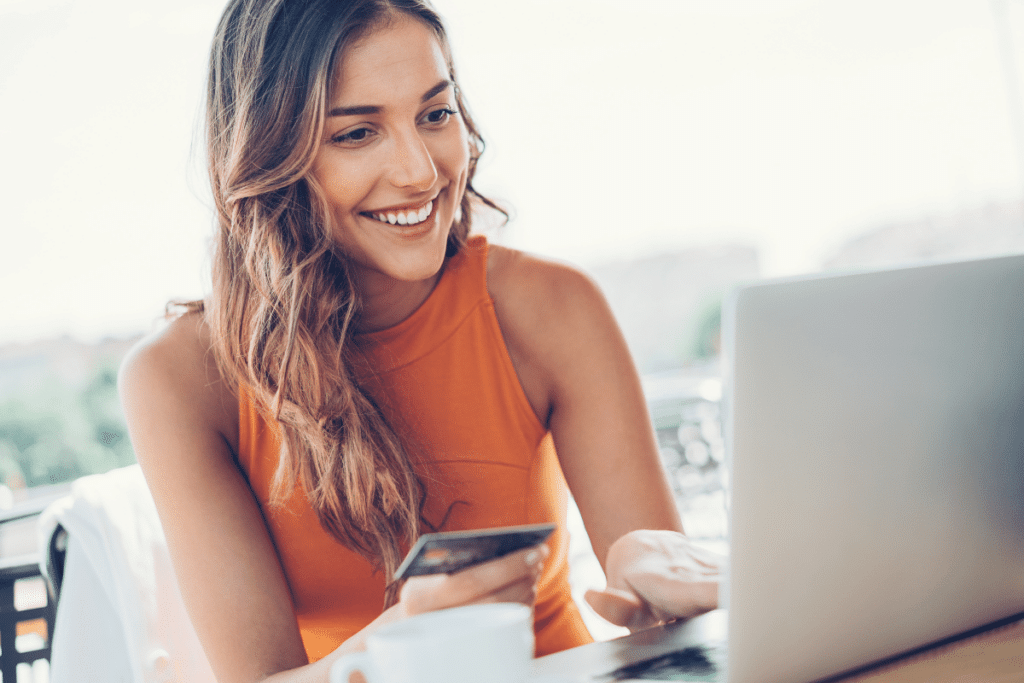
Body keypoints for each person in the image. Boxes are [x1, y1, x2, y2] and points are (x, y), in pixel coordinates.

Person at [118, 1, 722, 681]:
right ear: (270, 155)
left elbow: (671, 599)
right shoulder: (180, 378)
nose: (419, 172)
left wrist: (654, 566)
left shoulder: (551, 306)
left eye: (435, 115)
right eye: (356, 133)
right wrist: (409, 638)